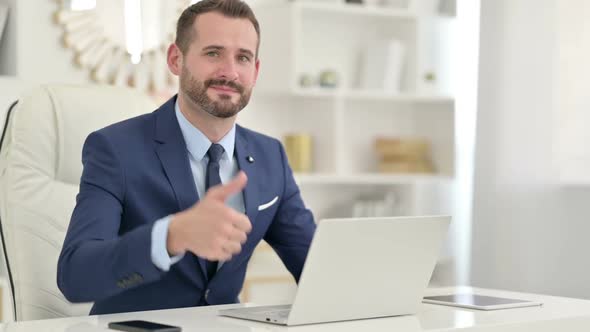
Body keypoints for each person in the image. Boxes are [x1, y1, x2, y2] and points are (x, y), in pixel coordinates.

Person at [57, 0, 316, 315]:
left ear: (255, 72)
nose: (230, 71)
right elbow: (75, 277)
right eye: (213, 53)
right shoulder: (115, 149)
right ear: (176, 59)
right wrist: (172, 235)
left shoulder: (270, 155)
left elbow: (316, 267)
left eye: (243, 58)